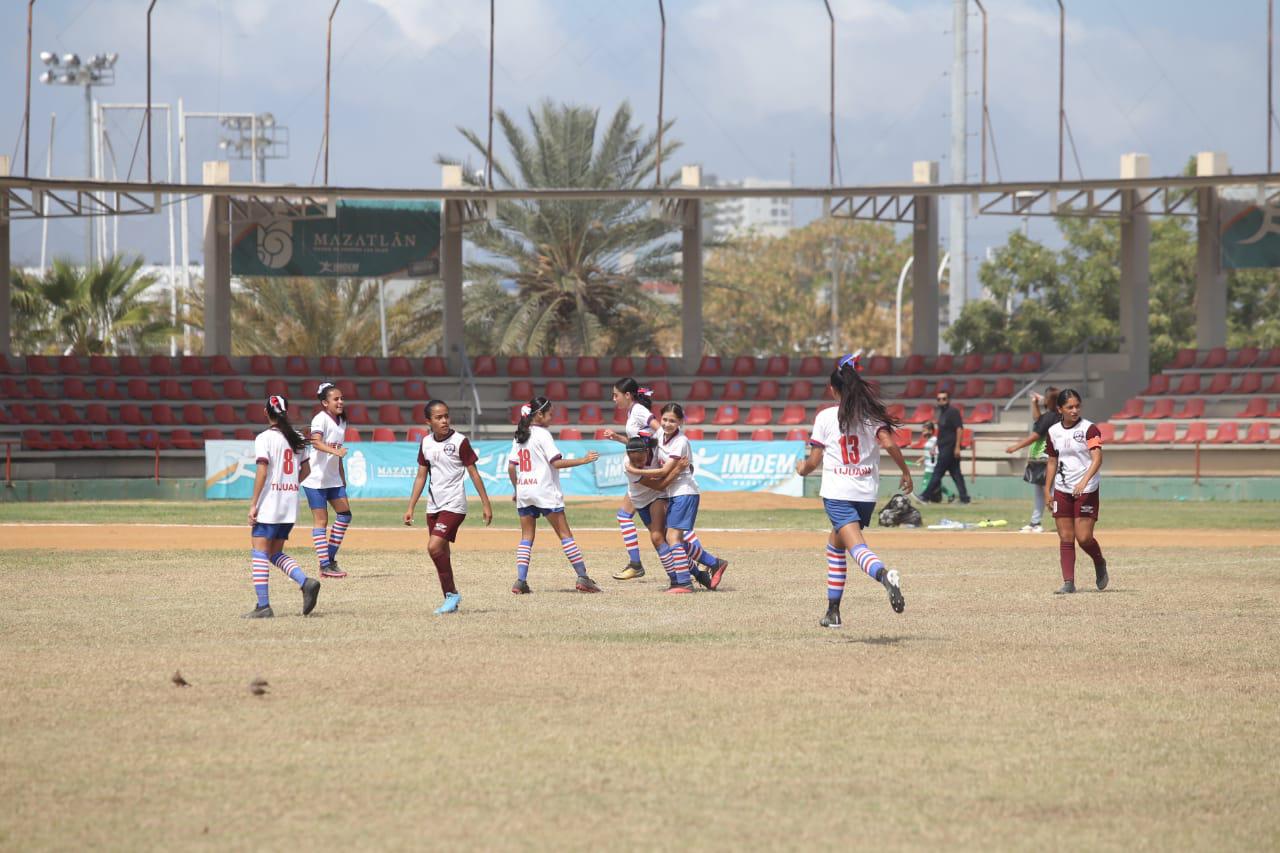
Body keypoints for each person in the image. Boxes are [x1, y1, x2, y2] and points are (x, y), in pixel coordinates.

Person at [795, 355, 914, 629]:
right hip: (865, 494)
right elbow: (889, 443)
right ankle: (832, 612)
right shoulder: (871, 415)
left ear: (833, 389)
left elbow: (814, 462)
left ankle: (884, 575)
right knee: (835, 546)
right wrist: (905, 472)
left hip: (837, 492)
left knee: (857, 547)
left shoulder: (826, 417)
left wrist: (802, 469)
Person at [403, 399, 494, 614]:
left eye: (446, 416)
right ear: (428, 421)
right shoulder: (425, 443)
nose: (444, 420)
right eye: (438, 417)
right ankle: (450, 598)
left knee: (433, 547)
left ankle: (452, 595)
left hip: (454, 505)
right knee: (442, 552)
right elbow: (420, 476)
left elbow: (473, 473)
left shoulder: (460, 441)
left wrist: (486, 504)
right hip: (433, 506)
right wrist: (411, 507)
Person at [626, 403, 729, 590]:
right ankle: (714, 563)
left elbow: (666, 470)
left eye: (672, 420)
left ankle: (683, 583)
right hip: (673, 493)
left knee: (673, 538)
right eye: (664, 419)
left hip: (684, 492)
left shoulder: (681, 441)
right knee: (674, 539)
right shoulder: (659, 436)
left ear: (681, 422)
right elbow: (637, 444)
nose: (667, 424)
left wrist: (635, 471)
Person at [508, 397, 602, 594]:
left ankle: (520, 581)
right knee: (565, 534)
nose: (552, 417)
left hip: (525, 490)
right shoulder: (543, 434)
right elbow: (556, 463)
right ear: (539, 414)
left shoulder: (520, 435)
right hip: (544, 491)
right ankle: (583, 578)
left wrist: (517, 489)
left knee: (526, 537)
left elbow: (511, 466)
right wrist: (584, 460)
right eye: (550, 413)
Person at [244, 395, 321, 619]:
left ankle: (263, 606)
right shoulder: (296, 437)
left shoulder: (264, 438)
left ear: (266, 412)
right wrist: (290, 485)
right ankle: (305, 582)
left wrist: (254, 504)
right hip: (289, 503)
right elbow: (306, 471)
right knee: (274, 552)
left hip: (270, 502)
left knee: (259, 552)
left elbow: (262, 471)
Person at [1044, 388, 1108, 594]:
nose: (1074, 410)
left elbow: (1097, 458)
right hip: (1062, 489)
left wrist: (1083, 482)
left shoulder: (1090, 429)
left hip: (1086, 489)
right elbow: (1052, 461)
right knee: (1065, 536)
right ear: (1060, 409)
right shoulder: (1053, 432)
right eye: (1069, 407)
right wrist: (1048, 490)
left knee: (1084, 538)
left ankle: (1099, 561)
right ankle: (1069, 583)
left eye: (1077, 406)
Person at [621, 436, 696, 593]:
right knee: (668, 541)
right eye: (635, 461)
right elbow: (660, 484)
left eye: (641, 459)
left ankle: (677, 580)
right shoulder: (627, 466)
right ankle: (701, 571)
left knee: (658, 537)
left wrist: (681, 467)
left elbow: (661, 488)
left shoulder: (656, 452)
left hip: (657, 497)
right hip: (641, 502)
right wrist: (676, 470)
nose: (639, 463)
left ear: (647, 451)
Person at [602, 378, 660, 580]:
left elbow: (660, 431)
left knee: (660, 531)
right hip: (641, 474)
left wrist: (667, 457)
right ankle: (635, 563)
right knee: (630, 518)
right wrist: (619, 438)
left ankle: (703, 562)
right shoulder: (632, 411)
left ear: (628, 395)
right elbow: (640, 443)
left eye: (615, 394)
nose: (613, 399)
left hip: (644, 474)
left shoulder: (638, 411)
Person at [300, 381, 353, 579]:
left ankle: (328, 561)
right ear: (324, 402)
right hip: (314, 479)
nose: (340, 402)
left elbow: (337, 452)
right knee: (321, 521)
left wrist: (342, 477)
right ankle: (325, 565)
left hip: (333, 479)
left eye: (341, 398)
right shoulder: (319, 419)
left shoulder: (342, 422)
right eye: (336, 399)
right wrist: (335, 451)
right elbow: (315, 442)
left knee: (345, 515)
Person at [1005, 386, 1060, 533]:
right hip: (1041, 459)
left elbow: (1035, 435)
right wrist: (1035, 403)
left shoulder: (1049, 417)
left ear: (1048, 400)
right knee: (1041, 492)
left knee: (1049, 492)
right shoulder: (1053, 416)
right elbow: (1037, 419)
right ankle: (1035, 522)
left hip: (1043, 459)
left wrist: (1015, 447)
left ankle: (1065, 519)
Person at [919, 388, 969, 504]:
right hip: (943, 447)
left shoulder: (953, 412)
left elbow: (959, 429)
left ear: (948, 400)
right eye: (939, 399)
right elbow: (941, 433)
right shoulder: (942, 414)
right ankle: (964, 498)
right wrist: (934, 446)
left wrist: (957, 446)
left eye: (944, 399)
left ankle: (925, 496)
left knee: (937, 473)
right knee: (956, 474)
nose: (941, 401)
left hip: (949, 448)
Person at [917, 421, 952, 503]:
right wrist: (920, 460)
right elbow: (927, 454)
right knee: (936, 484)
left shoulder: (934, 441)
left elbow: (937, 453)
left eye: (924, 431)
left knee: (926, 483)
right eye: (923, 431)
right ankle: (950, 494)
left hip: (932, 467)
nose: (923, 433)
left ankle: (923, 497)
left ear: (931, 431)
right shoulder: (928, 442)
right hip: (928, 466)